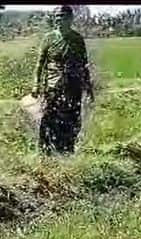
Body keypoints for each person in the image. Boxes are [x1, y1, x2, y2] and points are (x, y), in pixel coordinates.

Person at [31, 5, 95, 155]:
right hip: (53, 86)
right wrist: (36, 85)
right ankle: (45, 152)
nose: (59, 19)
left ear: (71, 19)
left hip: (73, 86)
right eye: (57, 16)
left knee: (72, 120)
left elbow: (84, 65)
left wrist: (89, 88)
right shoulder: (49, 38)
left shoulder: (77, 39)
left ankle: (67, 151)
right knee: (49, 119)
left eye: (63, 16)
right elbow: (40, 64)